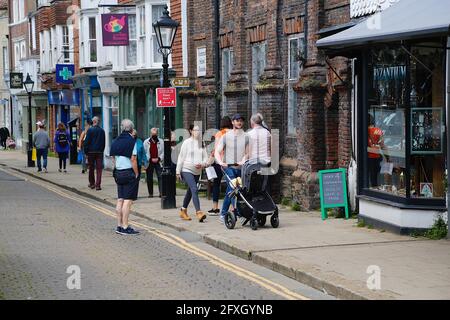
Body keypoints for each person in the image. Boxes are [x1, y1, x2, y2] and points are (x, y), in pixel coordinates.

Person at [214, 114, 249, 224]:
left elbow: (248, 153)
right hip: (229, 167)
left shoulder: (246, 136)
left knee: (239, 190)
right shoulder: (226, 136)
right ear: (232, 122)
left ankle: (238, 212)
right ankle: (224, 214)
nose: (239, 122)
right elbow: (217, 151)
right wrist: (220, 162)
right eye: (237, 120)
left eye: (241, 120)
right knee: (233, 188)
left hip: (241, 168)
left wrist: (243, 160)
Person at [110, 119, 140, 235]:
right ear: (131, 129)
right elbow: (133, 159)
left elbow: (112, 157)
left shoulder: (116, 140)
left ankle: (119, 225)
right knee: (127, 201)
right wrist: (136, 173)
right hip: (128, 173)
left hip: (118, 172)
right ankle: (125, 226)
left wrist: (116, 166)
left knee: (120, 199)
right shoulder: (132, 141)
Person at [176, 125, 210, 222]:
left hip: (197, 171)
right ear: (191, 131)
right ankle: (199, 212)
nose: (197, 132)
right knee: (194, 189)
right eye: (195, 130)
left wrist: (203, 164)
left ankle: (183, 210)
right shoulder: (186, 143)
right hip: (186, 169)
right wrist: (178, 171)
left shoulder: (201, 143)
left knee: (190, 191)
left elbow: (206, 158)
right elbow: (181, 157)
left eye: (199, 130)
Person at [207, 116, 232, 215]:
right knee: (232, 184)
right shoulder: (233, 133)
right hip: (231, 162)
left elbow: (217, 149)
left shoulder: (219, 134)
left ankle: (215, 207)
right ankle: (232, 207)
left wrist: (211, 156)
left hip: (219, 162)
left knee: (216, 184)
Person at [242, 113, 272, 192]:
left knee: (251, 180)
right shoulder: (267, 133)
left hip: (253, 162)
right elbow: (270, 149)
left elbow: (248, 152)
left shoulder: (249, 134)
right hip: (266, 161)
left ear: (252, 122)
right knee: (266, 181)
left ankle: (250, 193)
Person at [84, 116, 106, 190]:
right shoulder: (102, 131)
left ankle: (92, 184)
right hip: (99, 152)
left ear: (93, 122)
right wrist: (101, 150)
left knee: (91, 168)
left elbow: (86, 142)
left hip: (91, 152)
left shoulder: (90, 130)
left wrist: (86, 152)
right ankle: (98, 185)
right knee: (99, 169)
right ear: (98, 122)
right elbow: (104, 143)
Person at [143, 128, 163, 198]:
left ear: (157, 134)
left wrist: (159, 158)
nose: (154, 135)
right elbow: (144, 152)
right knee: (149, 178)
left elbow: (164, 152)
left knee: (160, 177)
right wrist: (149, 159)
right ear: (150, 134)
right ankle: (150, 193)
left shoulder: (161, 141)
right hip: (150, 162)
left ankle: (161, 193)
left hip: (159, 161)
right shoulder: (146, 142)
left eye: (155, 134)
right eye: (153, 134)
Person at [367, 114, 386, 187]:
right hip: (377, 156)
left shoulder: (365, 130)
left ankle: (370, 188)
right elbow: (382, 145)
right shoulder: (378, 130)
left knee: (368, 174)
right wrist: (387, 157)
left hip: (368, 156)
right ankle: (374, 187)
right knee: (374, 174)